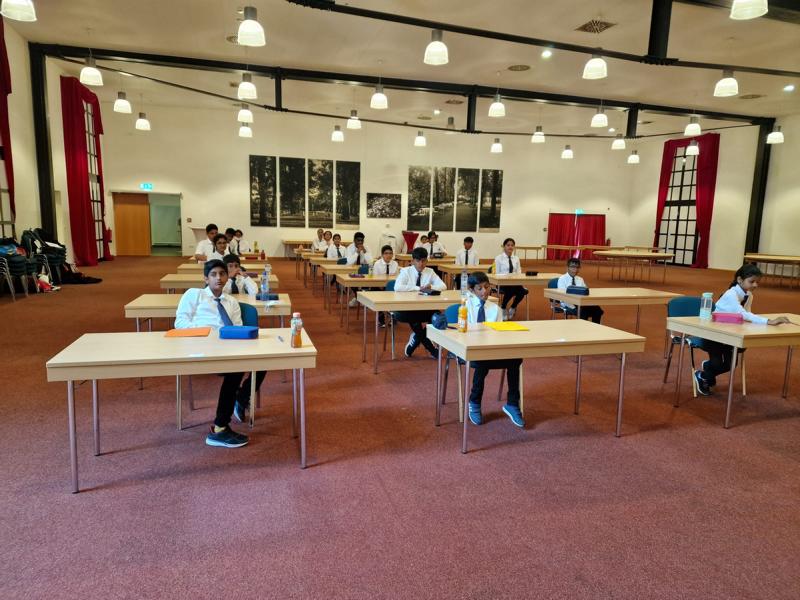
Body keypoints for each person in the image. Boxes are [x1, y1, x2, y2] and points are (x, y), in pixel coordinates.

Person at [174, 260, 251, 448]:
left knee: (264, 361)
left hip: (226, 347)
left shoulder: (231, 301)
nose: (219, 278)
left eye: (222, 274)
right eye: (214, 274)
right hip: (199, 346)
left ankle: (241, 398)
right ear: (206, 278)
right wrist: (209, 332)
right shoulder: (194, 295)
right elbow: (180, 323)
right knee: (235, 372)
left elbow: (237, 327)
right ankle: (220, 428)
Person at [694, 264, 791, 396]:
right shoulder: (730, 294)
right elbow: (743, 314)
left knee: (730, 365)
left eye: (757, 282)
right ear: (740, 280)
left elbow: (747, 315)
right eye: (752, 281)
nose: (755, 285)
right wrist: (769, 321)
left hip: (731, 334)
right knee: (717, 364)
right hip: (715, 335)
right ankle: (703, 374)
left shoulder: (749, 295)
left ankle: (706, 371)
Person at [464, 272, 524, 428]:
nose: (484, 291)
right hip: (472, 350)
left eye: (487, 287)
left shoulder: (495, 309)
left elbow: (499, 333)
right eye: (479, 288)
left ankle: (512, 403)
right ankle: (474, 401)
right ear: (471, 290)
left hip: (491, 348)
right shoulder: (465, 307)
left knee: (515, 359)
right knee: (482, 362)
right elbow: (463, 332)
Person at [394, 247, 447, 358]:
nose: (421, 264)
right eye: (418, 261)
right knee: (414, 317)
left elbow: (443, 286)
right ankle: (431, 348)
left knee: (437, 316)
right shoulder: (406, 271)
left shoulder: (430, 272)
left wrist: (431, 286)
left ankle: (416, 337)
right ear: (412, 261)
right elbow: (397, 287)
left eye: (423, 261)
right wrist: (418, 288)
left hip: (424, 307)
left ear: (427, 261)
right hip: (405, 309)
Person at [556, 258, 603, 323]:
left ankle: (595, 327)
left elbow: (585, 292)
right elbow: (562, 295)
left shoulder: (580, 279)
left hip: (581, 302)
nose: (575, 269)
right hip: (568, 302)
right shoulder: (562, 279)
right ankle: (582, 327)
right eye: (573, 267)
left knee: (597, 310)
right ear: (567, 267)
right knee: (583, 311)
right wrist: (575, 303)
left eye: (577, 267)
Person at [493, 237, 528, 320]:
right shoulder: (498, 258)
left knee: (523, 291)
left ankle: (513, 307)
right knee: (512, 289)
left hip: (514, 282)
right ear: (504, 246)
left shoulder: (516, 258)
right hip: (502, 283)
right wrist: (506, 277)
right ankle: (503, 307)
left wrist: (515, 278)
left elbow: (519, 272)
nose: (510, 247)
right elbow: (496, 273)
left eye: (512, 245)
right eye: (508, 245)